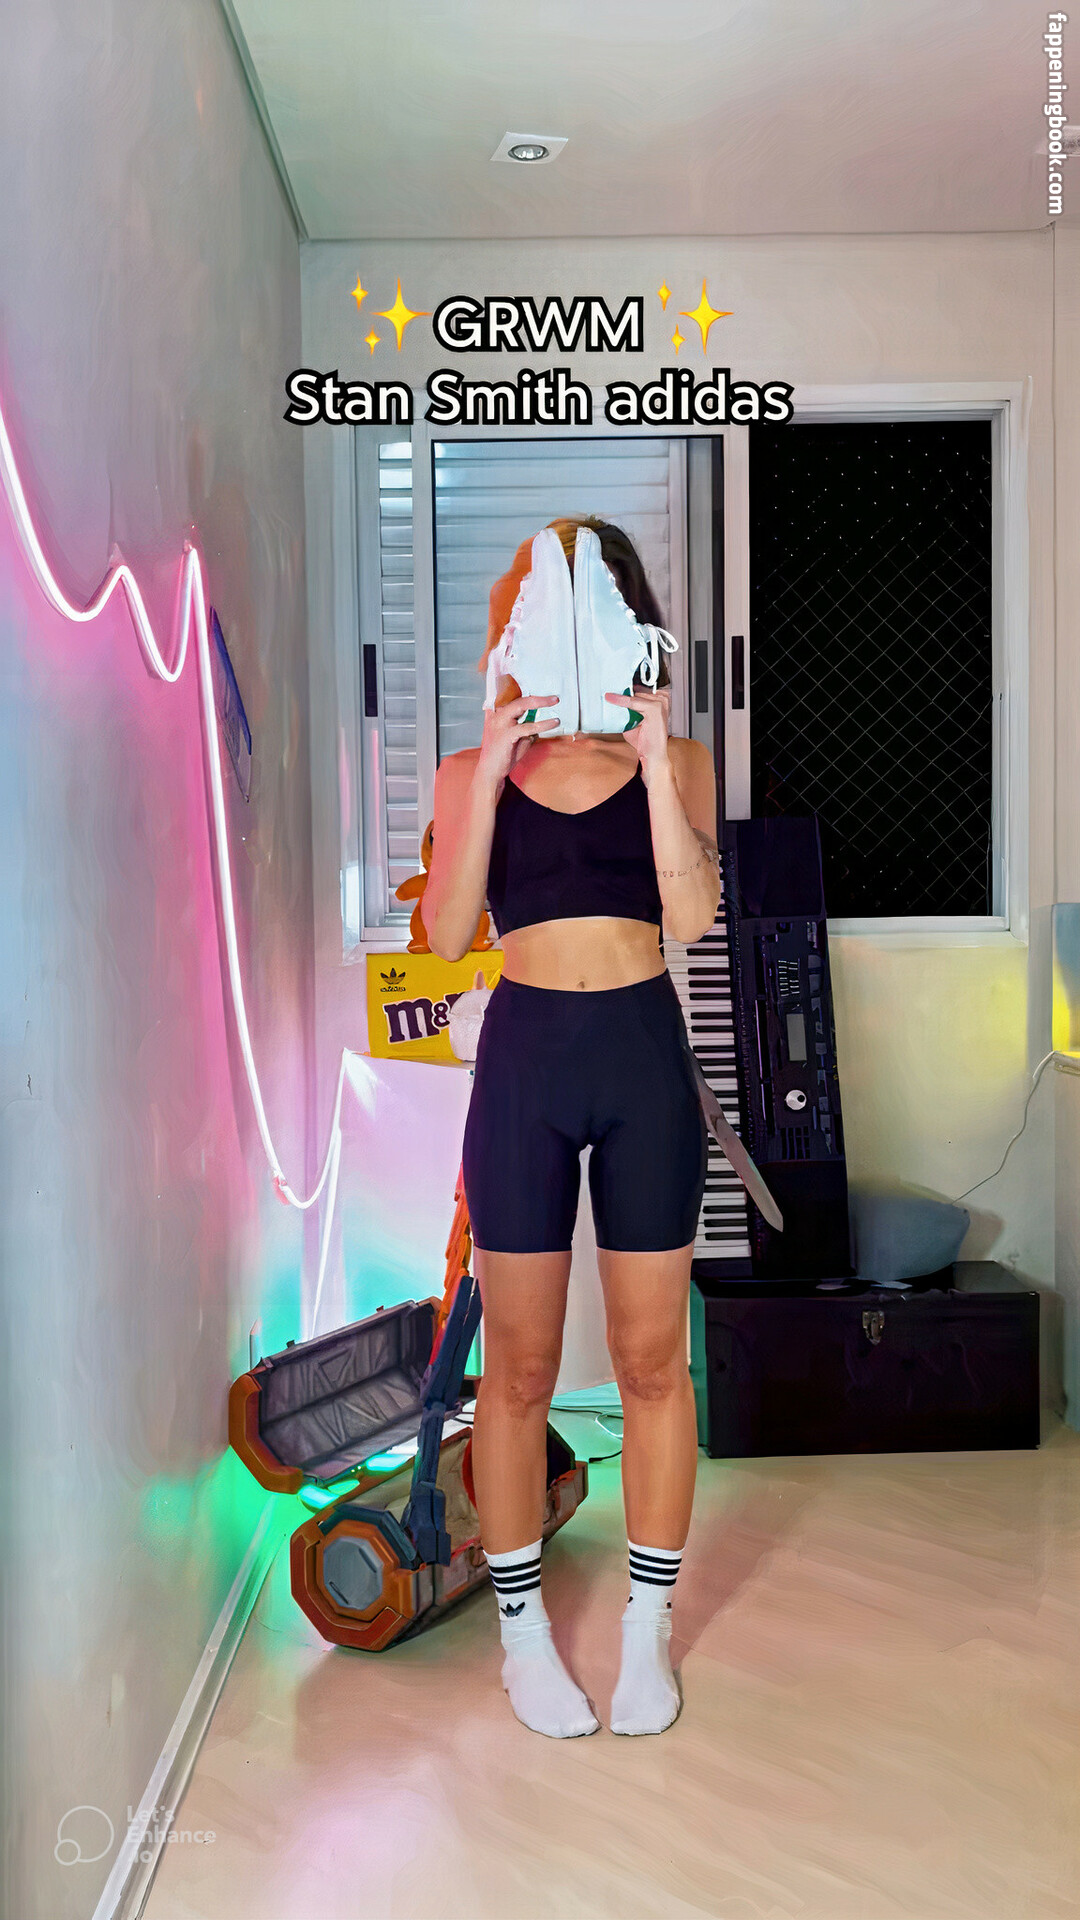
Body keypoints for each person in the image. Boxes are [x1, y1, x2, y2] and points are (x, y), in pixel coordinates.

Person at [422, 516, 720, 1738]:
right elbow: (449, 935)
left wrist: (654, 765)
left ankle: (648, 1632)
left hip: (641, 1051)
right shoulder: (468, 771)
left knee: (652, 1363)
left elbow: (691, 920)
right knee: (518, 1372)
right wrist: (495, 767)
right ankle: (523, 1639)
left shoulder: (679, 756)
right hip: (528, 1062)